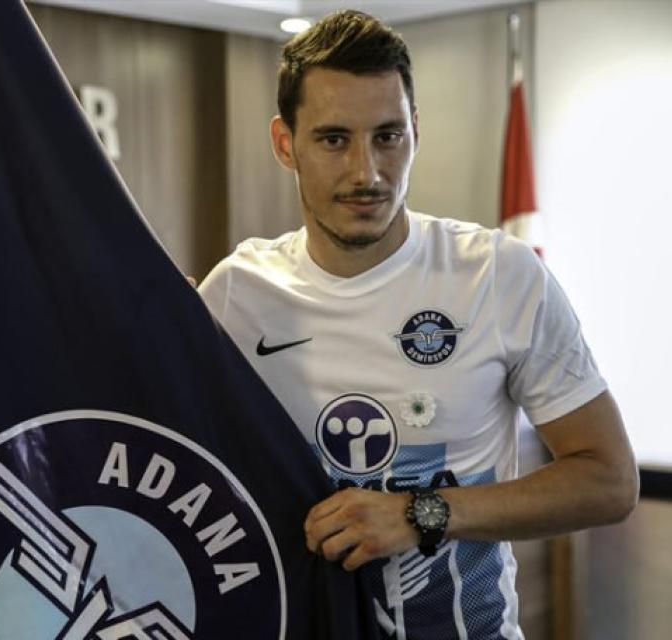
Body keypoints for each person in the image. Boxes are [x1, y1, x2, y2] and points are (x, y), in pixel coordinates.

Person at [198, 9, 638, 640]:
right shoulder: (235, 295)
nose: (367, 172)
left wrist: (420, 513)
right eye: (333, 139)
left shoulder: (497, 275)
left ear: (415, 132)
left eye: (388, 136)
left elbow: (609, 480)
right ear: (284, 143)